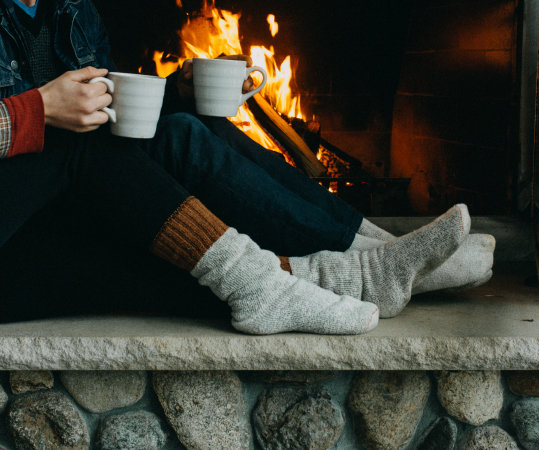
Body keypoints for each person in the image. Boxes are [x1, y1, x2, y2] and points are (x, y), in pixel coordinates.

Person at [0, 0, 494, 333]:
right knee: (83, 144)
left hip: (60, 203)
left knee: (182, 127)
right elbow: (66, 132)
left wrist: (176, 93)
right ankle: (331, 277)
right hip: (17, 240)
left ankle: (372, 252)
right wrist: (34, 113)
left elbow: (100, 109)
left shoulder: (68, 7)